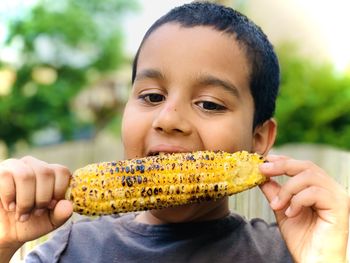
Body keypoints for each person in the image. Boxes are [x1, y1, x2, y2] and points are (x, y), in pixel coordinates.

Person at [0, 2, 348, 262]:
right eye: (152, 96)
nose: (169, 119)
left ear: (258, 140)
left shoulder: (289, 254)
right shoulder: (67, 252)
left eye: (209, 104)